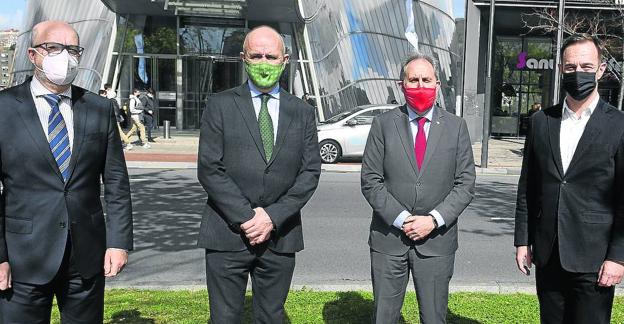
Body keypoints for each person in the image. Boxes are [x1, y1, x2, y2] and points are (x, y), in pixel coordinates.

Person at [0, 20, 133, 323]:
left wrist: (118, 242)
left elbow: (115, 182)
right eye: (54, 47)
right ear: (33, 55)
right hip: (24, 258)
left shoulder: (99, 108)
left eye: (73, 49)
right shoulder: (4, 108)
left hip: (85, 256)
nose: (65, 56)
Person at [197, 25, 321, 323]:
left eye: (271, 56)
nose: (264, 62)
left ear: (285, 60)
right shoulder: (220, 105)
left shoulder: (302, 112)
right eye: (256, 55)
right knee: (224, 318)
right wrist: (248, 217)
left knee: (272, 316)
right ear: (244, 58)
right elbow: (209, 168)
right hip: (226, 234)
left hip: (280, 235)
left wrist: (271, 217)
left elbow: (310, 172)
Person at [515, 33, 624, 324]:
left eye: (587, 67)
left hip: (595, 258)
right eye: (571, 67)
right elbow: (528, 187)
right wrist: (522, 241)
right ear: (561, 69)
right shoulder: (541, 122)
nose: (579, 74)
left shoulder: (619, 125)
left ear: (601, 70)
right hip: (548, 253)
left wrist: (618, 257)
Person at [361, 53, 475, 324]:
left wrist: (432, 220)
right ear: (402, 85)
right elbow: (371, 180)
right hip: (389, 240)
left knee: (434, 317)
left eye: (427, 79)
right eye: (413, 80)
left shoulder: (456, 127)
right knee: (384, 317)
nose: (420, 86)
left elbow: (465, 183)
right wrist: (402, 220)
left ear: (437, 84)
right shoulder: (383, 125)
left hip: (437, 242)